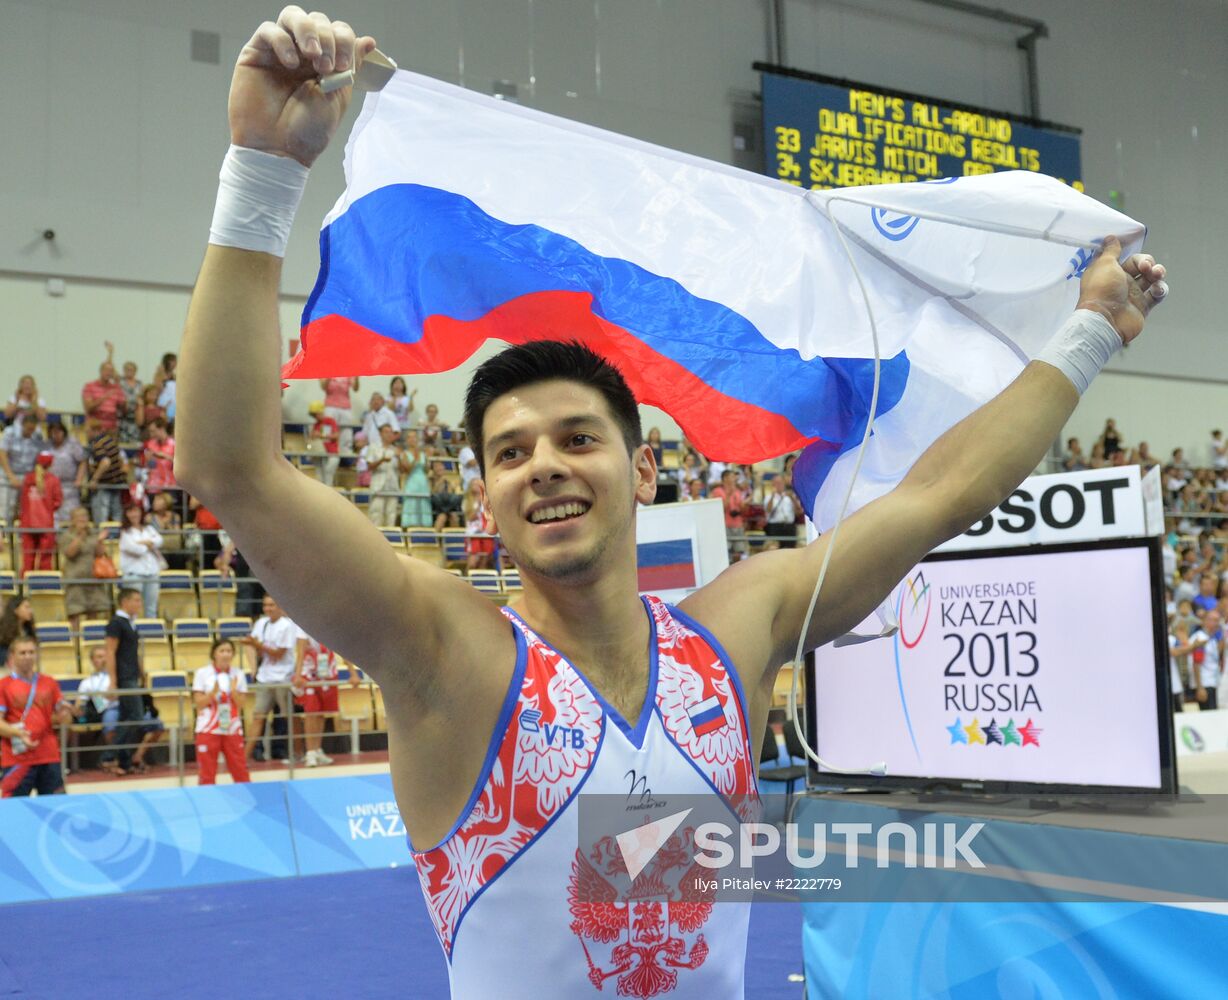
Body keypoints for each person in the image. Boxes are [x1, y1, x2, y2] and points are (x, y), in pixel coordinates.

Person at [175, 12, 1166, 992]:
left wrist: (1088, 335)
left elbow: (942, 493)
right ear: (483, 498)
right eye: (510, 453)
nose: (544, 467)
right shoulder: (445, 656)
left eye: (576, 438)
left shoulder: (735, 632)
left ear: (642, 471)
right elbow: (233, 471)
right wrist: (263, 169)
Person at [0, 637, 73, 797]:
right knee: (15, 810)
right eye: (22, 653)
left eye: (31, 652)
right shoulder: (3, 685)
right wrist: (19, 733)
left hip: (48, 755)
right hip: (16, 759)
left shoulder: (49, 682)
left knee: (56, 808)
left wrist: (66, 714)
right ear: (12, 656)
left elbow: (64, 720)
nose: (27, 656)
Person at [243, 594, 297, 763]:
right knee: (258, 716)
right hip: (264, 677)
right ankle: (244, 758)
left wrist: (257, 645)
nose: (268, 608)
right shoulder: (261, 623)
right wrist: (254, 655)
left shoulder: (287, 626)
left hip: (283, 677)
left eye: (272, 605)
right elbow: (256, 648)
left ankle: (297, 751)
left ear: (280, 607)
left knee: (289, 717)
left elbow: (279, 654)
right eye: (266, 605)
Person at [192, 638, 251, 785]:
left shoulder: (239, 674)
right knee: (207, 773)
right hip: (208, 729)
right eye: (222, 651)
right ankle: (206, 804)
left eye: (229, 651)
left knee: (240, 770)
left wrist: (233, 691)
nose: (225, 654)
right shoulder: (202, 673)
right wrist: (212, 693)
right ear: (214, 654)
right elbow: (198, 702)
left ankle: (250, 802)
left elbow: (242, 704)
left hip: (232, 727)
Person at [105, 588, 145, 774]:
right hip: (124, 676)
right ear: (124, 602)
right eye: (136, 600)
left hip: (132, 674)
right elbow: (110, 651)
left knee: (126, 718)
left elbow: (132, 651)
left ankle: (124, 762)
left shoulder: (131, 623)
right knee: (136, 715)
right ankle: (107, 755)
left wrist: (141, 670)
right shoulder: (116, 623)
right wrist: (112, 680)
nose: (139, 604)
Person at [59, 507, 112, 629]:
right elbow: (70, 553)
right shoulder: (67, 535)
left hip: (93, 579)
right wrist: (80, 537)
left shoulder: (93, 534)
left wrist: (99, 541)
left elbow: (100, 554)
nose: (83, 520)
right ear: (72, 520)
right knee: (75, 613)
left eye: (85, 516)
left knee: (94, 612)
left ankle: (91, 641)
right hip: (75, 581)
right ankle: (76, 643)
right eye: (79, 517)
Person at [73, 644, 123, 774]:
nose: (104, 660)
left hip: (124, 706)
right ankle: (114, 759)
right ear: (93, 660)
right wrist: (79, 710)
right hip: (106, 711)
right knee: (110, 722)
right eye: (99, 657)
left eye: (105, 656)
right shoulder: (87, 682)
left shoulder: (118, 676)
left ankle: (136, 757)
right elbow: (80, 704)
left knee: (154, 723)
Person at [18, 453, 61, 574]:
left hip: (27, 524)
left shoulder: (27, 478)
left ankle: (25, 589)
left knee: (27, 559)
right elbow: (58, 502)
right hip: (46, 524)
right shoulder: (53, 480)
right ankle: (43, 590)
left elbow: (22, 501)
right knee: (45, 560)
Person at [118, 503, 163, 617]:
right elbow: (135, 549)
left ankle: (151, 634)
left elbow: (160, 541)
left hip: (152, 572)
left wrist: (143, 543)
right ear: (126, 514)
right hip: (134, 575)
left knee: (151, 607)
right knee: (132, 609)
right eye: (131, 511)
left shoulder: (149, 528)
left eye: (136, 511)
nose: (134, 514)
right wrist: (149, 543)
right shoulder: (125, 532)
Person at [85, 413, 131, 524]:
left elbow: (105, 462)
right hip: (116, 484)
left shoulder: (98, 444)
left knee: (101, 517)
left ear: (94, 430)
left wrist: (94, 479)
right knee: (116, 516)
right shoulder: (110, 441)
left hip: (104, 485)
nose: (86, 433)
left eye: (87, 430)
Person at [0, 413, 46, 522]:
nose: (31, 432)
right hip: (8, 475)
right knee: (7, 509)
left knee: (25, 509)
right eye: (29, 429)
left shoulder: (37, 435)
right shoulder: (10, 432)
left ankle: (21, 537)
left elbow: (39, 459)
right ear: (23, 424)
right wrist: (11, 476)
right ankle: (4, 537)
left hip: (27, 477)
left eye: (33, 429)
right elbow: (2, 454)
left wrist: (37, 477)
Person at [46, 419, 86, 525]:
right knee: (54, 517)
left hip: (69, 485)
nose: (56, 435)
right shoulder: (47, 445)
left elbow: (82, 462)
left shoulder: (73, 443)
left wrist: (79, 479)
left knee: (70, 515)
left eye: (59, 432)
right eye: (53, 432)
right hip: (51, 485)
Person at [363, 423, 402, 526]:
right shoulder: (373, 447)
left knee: (391, 515)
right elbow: (369, 466)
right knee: (376, 515)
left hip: (393, 487)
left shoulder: (395, 450)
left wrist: (400, 458)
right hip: (378, 487)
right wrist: (382, 460)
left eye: (391, 432)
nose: (389, 435)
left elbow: (402, 470)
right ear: (380, 434)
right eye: (386, 432)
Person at [82, 350, 128, 434]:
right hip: (95, 428)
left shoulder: (116, 388)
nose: (108, 373)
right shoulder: (89, 386)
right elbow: (88, 408)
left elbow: (124, 411)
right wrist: (104, 397)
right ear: (101, 371)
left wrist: (124, 403)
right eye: (106, 370)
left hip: (111, 428)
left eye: (111, 371)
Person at [1187, 609, 1223, 711]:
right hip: (1205, 684)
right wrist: (1200, 687)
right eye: (1214, 620)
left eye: (1218, 620)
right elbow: (1196, 663)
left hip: (1212, 682)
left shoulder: (1211, 638)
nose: (1217, 624)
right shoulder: (1200, 638)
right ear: (1205, 621)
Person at [399, 428, 432, 528]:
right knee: (411, 503)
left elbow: (426, 470)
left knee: (423, 504)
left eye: (414, 437)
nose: (412, 440)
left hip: (422, 482)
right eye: (410, 437)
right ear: (407, 440)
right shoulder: (404, 454)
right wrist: (415, 458)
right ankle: (409, 526)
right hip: (411, 481)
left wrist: (427, 459)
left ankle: (424, 527)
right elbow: (407, 470)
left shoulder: (423, 454)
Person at [320, 375, 360, 453]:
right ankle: (327, 452)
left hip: (345, 407)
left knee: (346, 432)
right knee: (327, 431)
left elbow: (355, 388)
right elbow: (323, 387)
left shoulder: (347, 369)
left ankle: (346, 455)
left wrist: (357, 376)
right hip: (330, 406)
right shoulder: (325, 368)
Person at [307, 399, 340, 486]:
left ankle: (328, 494)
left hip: (332, 453)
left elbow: (336, 436)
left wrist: (321, 435)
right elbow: (312, 439)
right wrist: (313, 436)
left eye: (316, 414)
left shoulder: (330, 421)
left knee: (328, 472)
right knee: (320, 477)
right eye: (313, 415)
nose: (315, 417)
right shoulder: (315, 425)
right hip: (321, 454)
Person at [763, 474, 798, 549]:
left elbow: (798, 512)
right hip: (775, 527)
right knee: (774, 549)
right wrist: (773, 495)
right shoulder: (768, 497)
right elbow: (768, 510)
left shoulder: (789, 496)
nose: (779, 485)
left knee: (790, 549)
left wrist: (792, 498)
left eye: (780, 483)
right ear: (773, 484)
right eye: (776, 483)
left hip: (789, 527)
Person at [0, 596, 35, 668]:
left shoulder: (28, 630)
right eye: (26, 607)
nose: (30, 611)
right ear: (16, 610)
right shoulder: (4, 631)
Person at [118, 357, 143, 444]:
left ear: (135, 371)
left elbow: (141, 398)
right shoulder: (120, 382)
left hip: (135, 416)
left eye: (131, 370)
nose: (129, 371)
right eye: (127, 369)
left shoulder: (139, 384)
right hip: (123, 415)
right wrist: (110, 353)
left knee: (134, 442)